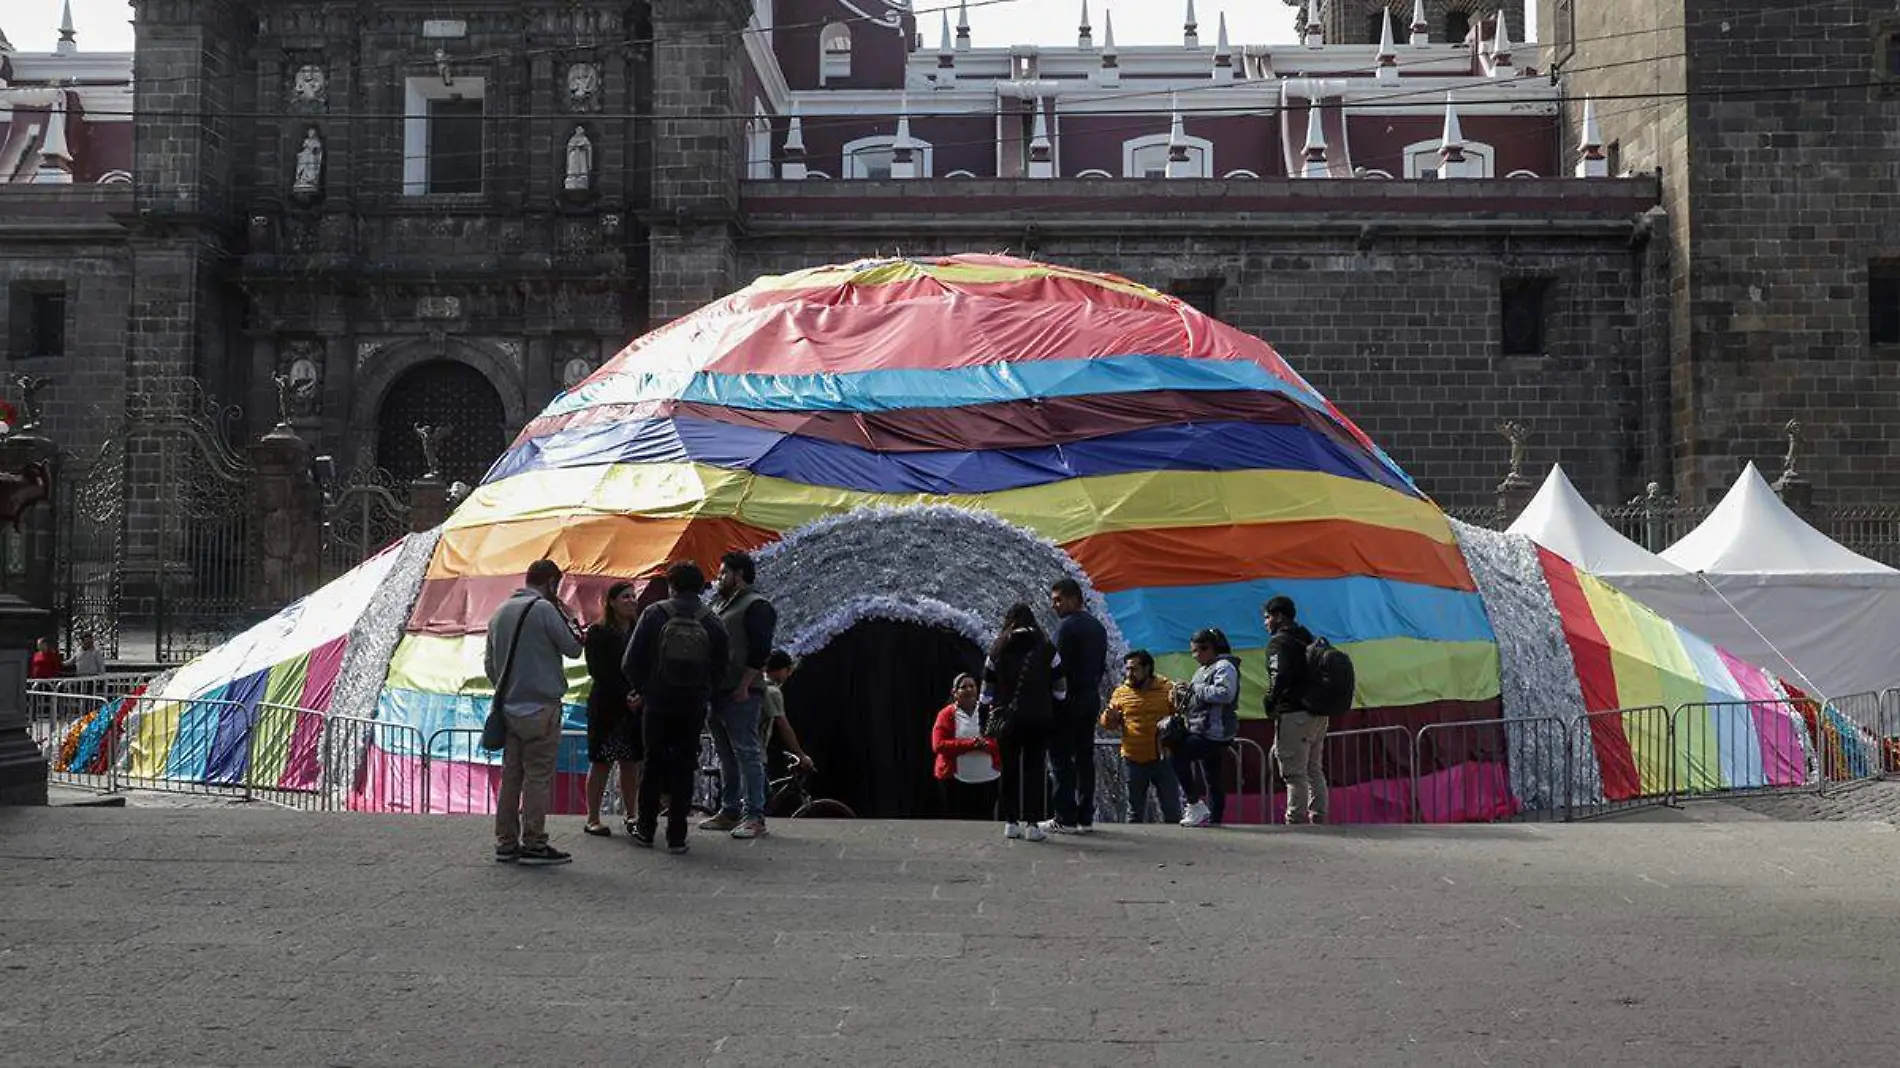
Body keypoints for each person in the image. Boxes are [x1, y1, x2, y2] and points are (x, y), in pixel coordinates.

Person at [624, 561, 729, 854]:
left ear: (671, 586)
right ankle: (678, 835)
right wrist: (705, 693)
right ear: (700, 587)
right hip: (692, 704)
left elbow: (630, 662)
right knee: (685, 766)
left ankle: (645, 829)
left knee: (653, 763)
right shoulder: (711, 619)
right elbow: (723, 665)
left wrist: (645, 690)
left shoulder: (654, 614)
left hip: (657, 703)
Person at [484, 559, 584, 866]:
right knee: (537, 778)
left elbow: (490, 666)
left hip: (509, 709)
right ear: (552, 582)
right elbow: (573, 648)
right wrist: (567, 615)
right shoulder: (544, 610)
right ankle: (535, 842)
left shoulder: (500, 612)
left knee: (511, 778)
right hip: (542, 709)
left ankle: (505, 842)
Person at [701, 551, 778, 840]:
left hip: (741, 692)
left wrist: (745, 684)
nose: (719, 579)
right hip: (718, 691)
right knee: (725, 755)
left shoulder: (757, 606)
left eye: (723, 574)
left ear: (739, 574)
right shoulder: (723, 605)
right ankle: (729, 810)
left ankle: (754, 816)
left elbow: (760, 650)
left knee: (747, 752)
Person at [979, 603, 1067, 842]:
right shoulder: (1046, 647)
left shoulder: (997, 648)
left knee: (1008, 769)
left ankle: (1010, 822)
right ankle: (1032, 824)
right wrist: (1053, 706)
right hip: (1039, 718)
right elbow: (1060, 687)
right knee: (1034, 770)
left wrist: (985, 716)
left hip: (1008, 720)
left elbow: (986, 690)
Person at [1043, 577, 1109, 835]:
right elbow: (1100, 666)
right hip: (1090, 699)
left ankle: (1064, 817)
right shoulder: (1098, 628)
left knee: (1061, 758)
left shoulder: (1066, 627)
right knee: (1084, 758)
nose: (1054, 606)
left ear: (1074, 599)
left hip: (1067, 701)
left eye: (1058, 600)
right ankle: (1085, 817)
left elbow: (1056, 667)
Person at [581, 582, 644, 837]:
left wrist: (640, 693)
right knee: (601, 763)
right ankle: (593, 817)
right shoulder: (598, 632)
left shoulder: (639, 631)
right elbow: (598, 670)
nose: (631, 601)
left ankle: (632, 814)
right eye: (625, 597)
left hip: (633, 707)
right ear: (612, 602)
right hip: (607, 706)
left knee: (631, 763)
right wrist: (625, 694)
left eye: (633, 596)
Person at [1264, 595, 1326, 825]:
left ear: (1279, 617)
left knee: (1294, 774)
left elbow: (1277, 676)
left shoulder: (1278, 643)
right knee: (1313, 770)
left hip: (1293, 714)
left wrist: (1270, 701)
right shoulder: (1306, 637)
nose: (1266, 623)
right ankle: (1318, 816)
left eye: (1268, 617)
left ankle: (1296, 820)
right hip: (1316, 713)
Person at [1100, 650, 1182, 824]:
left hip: (1163, 759)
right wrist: (1110, 717)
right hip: (1134, 759)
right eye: (1127, 670)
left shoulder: (1167, 689)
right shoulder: (1121, 692)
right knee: (1134, 812)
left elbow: (1180, 717)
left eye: (1134, 669)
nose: (1130, 674)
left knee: (1172, 810)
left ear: (1148, 669)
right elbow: (1107, 724)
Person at [1172, 628, 1241, 828]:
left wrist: (1194, 689)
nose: (1195, 656)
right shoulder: (1203, 670)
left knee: (1177, 755)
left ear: (1211, 648)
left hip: (1214, 731)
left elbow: (1225, 693)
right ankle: (1215, 819)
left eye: (1198, 651)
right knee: (1213, 777)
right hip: (1201, 727)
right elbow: (1196, 697)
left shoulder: (1224, 666)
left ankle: (1194, 803)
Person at [931, 673, 1000, 820]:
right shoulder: (946, 714)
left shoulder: (990, 711)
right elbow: (939, 745)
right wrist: (970, 744)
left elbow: (1001, 741)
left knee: (985, 823)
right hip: (956, 782)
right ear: (955, 693)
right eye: (963, 687)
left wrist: (984, 745)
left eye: (972, 686)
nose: (969, 689)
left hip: (988, 780)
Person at [759, 649, 816, 782]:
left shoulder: (758, 685)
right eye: (788, 670)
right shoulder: (772, 692)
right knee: (760, 797)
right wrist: (801, 756)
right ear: (783, 669)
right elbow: (784, 726)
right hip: (755, 753)